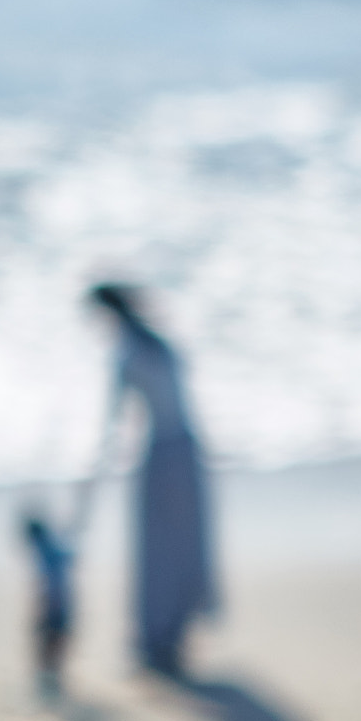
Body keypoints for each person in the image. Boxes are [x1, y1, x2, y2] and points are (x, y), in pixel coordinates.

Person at [87, 283, 218, 679]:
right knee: (183, 547)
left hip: (161, 454)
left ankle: (159, 640)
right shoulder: (160, 344)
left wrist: (92, 477)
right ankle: (175, 633)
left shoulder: (128, 351)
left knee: (158, 552)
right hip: (189, 450)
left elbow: (115, 419)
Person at [19, 507, 76, 703]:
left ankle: (49, 679)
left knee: (49, 645)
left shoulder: (45, 551)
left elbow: (47, 585)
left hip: (53, 607)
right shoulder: (55, 548)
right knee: (53, 645)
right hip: (61, 606)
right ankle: (50, 678)